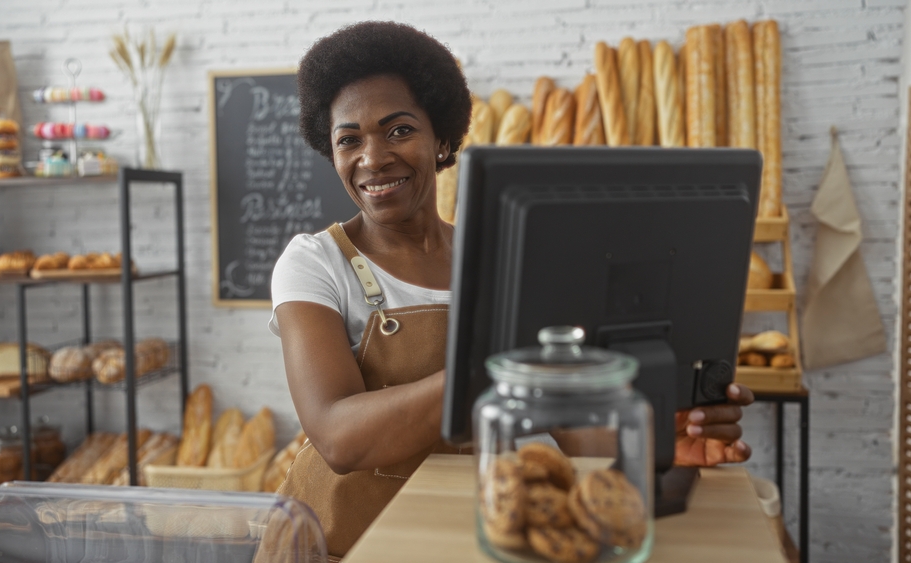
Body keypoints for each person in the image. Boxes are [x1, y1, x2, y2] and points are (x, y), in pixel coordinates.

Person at [270, 21, 754, 560]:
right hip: (341, 547)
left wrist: (661, 441)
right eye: (348, 140)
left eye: (399, 130)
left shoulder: (510, 259)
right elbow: (339, 437)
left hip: (477, 540)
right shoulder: (314, 263)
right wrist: (497, 367)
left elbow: (571, 428)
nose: (373, 157)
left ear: (443, 139)